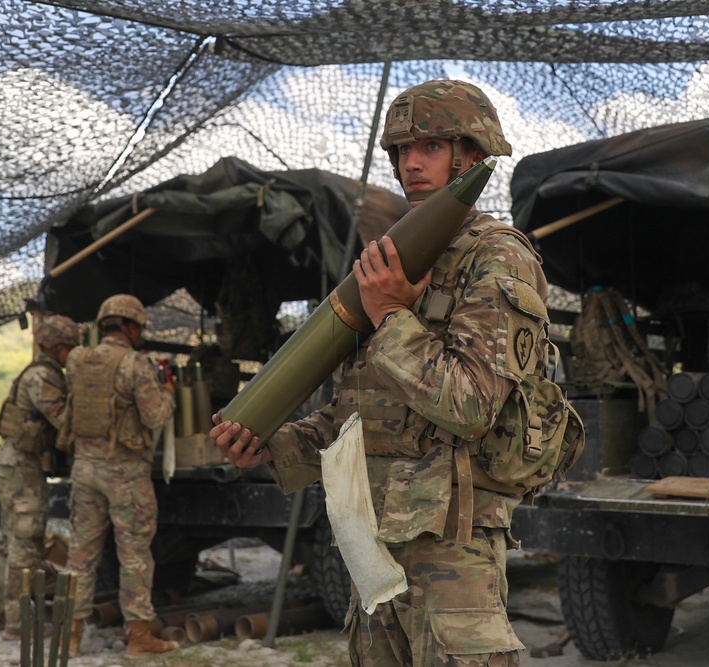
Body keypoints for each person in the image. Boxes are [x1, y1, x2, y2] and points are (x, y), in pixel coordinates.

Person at [211, 79, 547, 666]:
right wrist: (274, 445)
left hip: (452, 550)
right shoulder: (395, 255)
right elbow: (358, 416)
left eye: (431, 147)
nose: (410, 163)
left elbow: (470, 406)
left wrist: (390, 314)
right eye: (400, 151)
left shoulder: (498, 256)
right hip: (373, 549)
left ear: (472, 154)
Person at [60, 294, 178, 659]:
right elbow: (156, 417)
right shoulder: (134, 364)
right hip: (124, 473)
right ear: (128, 326)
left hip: (84, 468)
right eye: (139, 327)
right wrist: (168, 393)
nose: (140, 333)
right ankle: (140, 637)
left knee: (80, 555)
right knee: (134, 555)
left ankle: (71, 635)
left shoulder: (78, 359)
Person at [0, 314, 83, 640]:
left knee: (5, 542)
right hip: (23, 469)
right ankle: (19, 624)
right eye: (71, 350)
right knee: (26, 543)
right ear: (61, 348)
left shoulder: (38, 373)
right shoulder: (42, 378)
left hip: (13, 465)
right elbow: (64, 420)